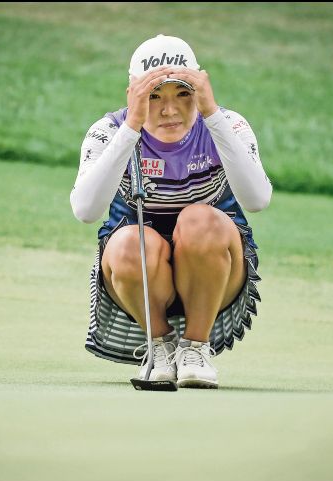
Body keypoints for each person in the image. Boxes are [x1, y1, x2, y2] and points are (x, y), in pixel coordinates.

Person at [70, 34, 272, 389]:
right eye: (154, 96)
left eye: (183, 93)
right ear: (133, 95)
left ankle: (196, 347)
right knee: (130, 242)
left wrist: (211, 115)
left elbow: (257, 199)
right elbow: (86, 210)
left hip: (216, 275)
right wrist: (132, 128)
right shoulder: (108, 131)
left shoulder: (229, 125)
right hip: (140, 283)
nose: (169, 110)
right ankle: (161, 346)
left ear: (200, 91)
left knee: (199, 220)